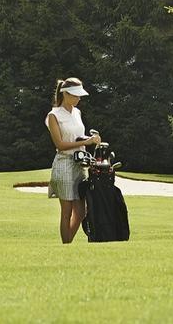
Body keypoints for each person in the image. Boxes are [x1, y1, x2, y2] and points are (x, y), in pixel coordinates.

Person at [45, 77, 101, 244]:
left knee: (81, 211)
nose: (78, 99)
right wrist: (86, 142)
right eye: (75, 95)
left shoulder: (77, 113)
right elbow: (60, 144)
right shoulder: (53, 115)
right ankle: (66, 246)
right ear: (65, 94)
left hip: (79, 164)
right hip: (63, 164)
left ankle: (67, 243)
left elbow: (76, 136)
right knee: (67, 211)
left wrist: (90, 139)